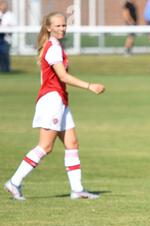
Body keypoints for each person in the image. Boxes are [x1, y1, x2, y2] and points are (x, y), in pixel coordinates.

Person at [3, 12, 105, 201]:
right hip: (52, 101)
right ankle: (14, 182)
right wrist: (90, 86)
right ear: (49, 27)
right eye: (57, 26)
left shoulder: (55, 45)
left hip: (60, 100)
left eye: (64, 25)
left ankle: (77, 189)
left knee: (72, 143)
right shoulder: (53, 48)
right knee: (45, 146)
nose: (62, 29)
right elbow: (63, 77)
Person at [0, 0, 15, 72]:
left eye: (5, 5)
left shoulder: (10, 15)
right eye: (2, 5)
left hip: (5, 38)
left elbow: (12, 26)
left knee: (4, 54)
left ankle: (6, 69)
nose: (4, 7)